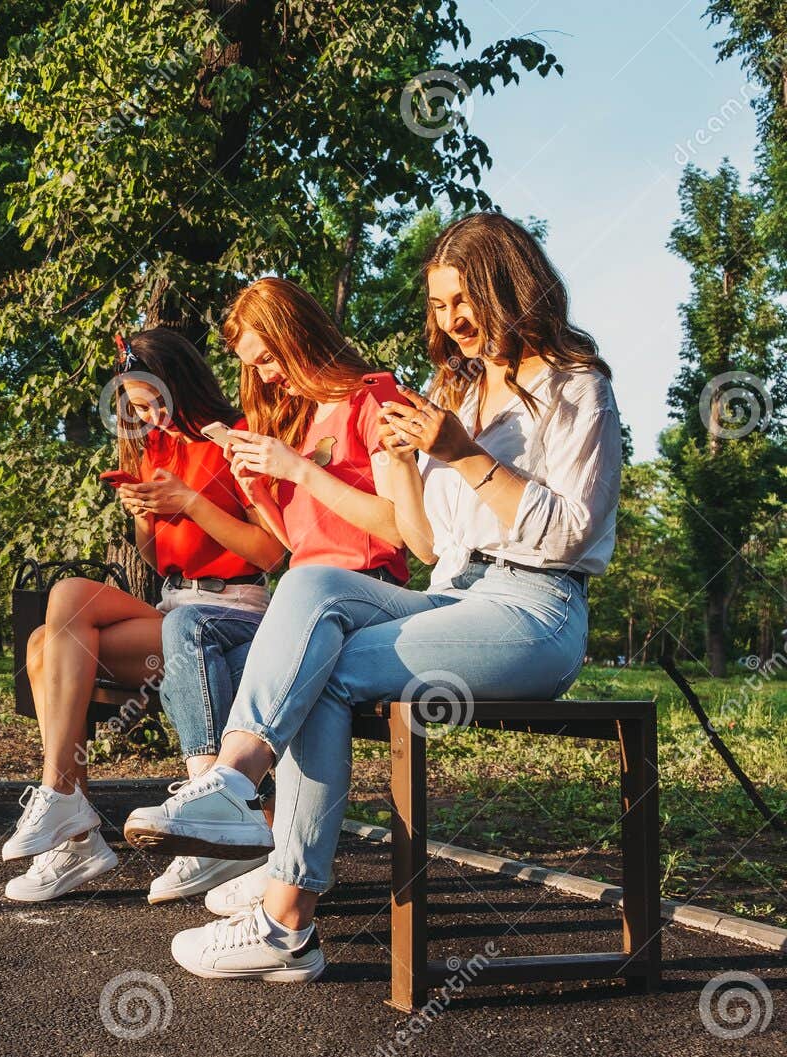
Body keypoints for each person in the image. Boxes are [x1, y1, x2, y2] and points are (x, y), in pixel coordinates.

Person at [130, 212, 621, 982]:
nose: (451, 321)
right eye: (438, 306)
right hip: (455, 593)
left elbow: (567, 532)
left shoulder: (575, 388)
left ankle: (285, 914)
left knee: (324, 661)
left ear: (509, 287)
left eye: (463, 300)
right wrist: (405, 465)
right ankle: (234, 792)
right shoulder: (454, 388)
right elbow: (428, 547)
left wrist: (457, 453)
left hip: (537, 608)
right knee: (312, 588)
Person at [141, 277, 410, 905]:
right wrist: (261, 489)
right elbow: (295, 545)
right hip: (304, 599)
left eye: (266, 358)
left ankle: (230, 811)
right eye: (251, 366)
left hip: (365, 595)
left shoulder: (375, 399)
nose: (262, 377)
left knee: (242, 641)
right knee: (197, 645)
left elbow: (395, 530)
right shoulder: (303, 419)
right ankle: (246, 832)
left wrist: (297, 469)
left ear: (299, 336)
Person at [3, 328, 284, 902]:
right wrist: (142, 513)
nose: (149, 416)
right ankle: (67, 813)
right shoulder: (153, 447)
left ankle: (72, 824)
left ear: (185, 384)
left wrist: (191, 502)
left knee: (46, 645)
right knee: (55, 615)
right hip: (173, 604)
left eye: (157, 402)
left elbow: (271, 552)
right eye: (136, 407)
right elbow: (158, 560)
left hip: (233, 611)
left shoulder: (237, 437)